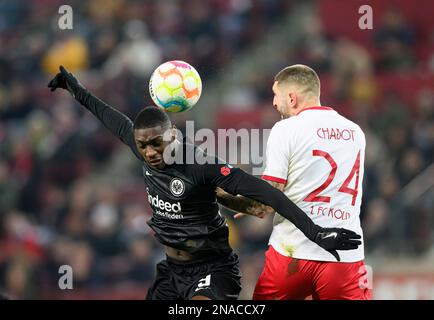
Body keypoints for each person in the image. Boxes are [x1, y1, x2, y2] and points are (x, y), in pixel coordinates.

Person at [48, 65, 361, 300]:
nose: (150, 153)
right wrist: (74, 87)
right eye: (143, 146)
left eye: (156, 144)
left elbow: (269, 195)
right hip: (171, 270)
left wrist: (316, 232)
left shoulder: (199, 164)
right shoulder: (141, 145)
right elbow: (106, 114)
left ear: (172, 135)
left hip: (212, 268)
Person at [221, 64, 371, 300]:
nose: (273, 103)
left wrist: (225, 198)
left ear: (291, 97)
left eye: (276, 95)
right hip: (344, 256)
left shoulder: (286, 129)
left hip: (292, 253)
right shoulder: (355, 132)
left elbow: (265, 205)